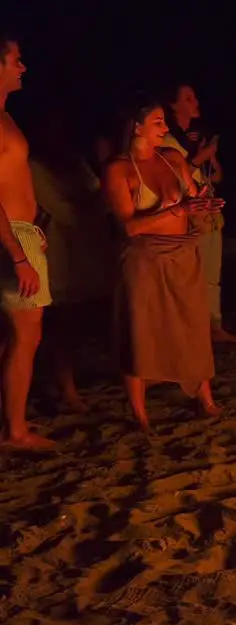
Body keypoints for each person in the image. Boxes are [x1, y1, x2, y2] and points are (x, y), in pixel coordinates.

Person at [102, 99, 223, 432]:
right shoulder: (118, 169)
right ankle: (139, 412)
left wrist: (205, 205)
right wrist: (178, 211)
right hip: (144, 259)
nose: (166, 129)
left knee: (193, 325)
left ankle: (205, 396)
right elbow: (129, 227)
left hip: (182, 254)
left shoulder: (172, 159)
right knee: (140, 330)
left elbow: (193, 199)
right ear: (136, 127)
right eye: (158, 122)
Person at [28, 105, 116, 411]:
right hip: (61, 252)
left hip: (86, 250)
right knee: (61, 323)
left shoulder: (75, 161)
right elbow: (63, 209)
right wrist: (89, 203)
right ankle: (65, 389)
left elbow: (102, 197)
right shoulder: (35, 165)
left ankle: (64, 382)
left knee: (79, 321)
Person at [0, 33, 54, 449]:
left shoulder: (7, 117)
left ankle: (13, 425)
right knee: (26, 334)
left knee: (17, 334)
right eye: (16, 59)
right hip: (10, 236)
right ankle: (15, 431)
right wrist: (18, 253)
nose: (23, 67)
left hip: (22, 232)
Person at [165, 83, 236, 343]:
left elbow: (215, 175)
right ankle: (190, 328)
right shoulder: (167, 139)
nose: (196, 101)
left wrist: (209, 156)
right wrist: (200, 157)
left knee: (212, 272)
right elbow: (169, 177)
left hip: (208, 212)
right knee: (187, 276)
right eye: (188, 98)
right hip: (185, 215)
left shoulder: (198, 136)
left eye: (195, 96)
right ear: (173, 105)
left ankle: (214, 326)